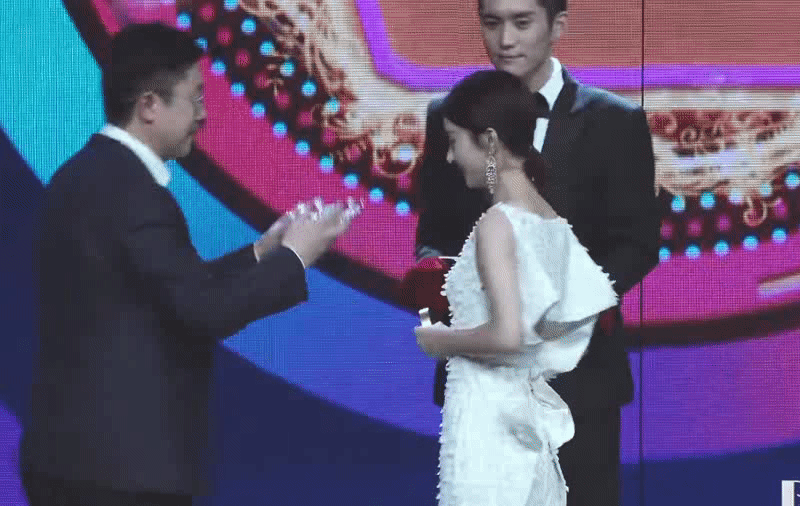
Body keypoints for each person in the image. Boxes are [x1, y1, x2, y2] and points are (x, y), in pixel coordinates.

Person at [18, 23, 359, 506]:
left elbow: (165, 289)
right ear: (149, 106)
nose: (204, 113)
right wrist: (295, 257)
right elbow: (205, 310)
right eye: (195, 98)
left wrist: (260, 252)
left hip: (68, 459)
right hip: (121, 474)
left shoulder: (82, 175)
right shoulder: (136, 194)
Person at [414, 0, 661, 504]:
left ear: (558, 25)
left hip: (579, 380)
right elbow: (435, 230)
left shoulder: (614, 121)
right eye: (492, 23)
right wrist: (442, 279)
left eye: (522, 23)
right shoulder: (448, 114)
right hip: (483, 382)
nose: (506, 40)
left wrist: (569, 307)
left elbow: (636, 243)